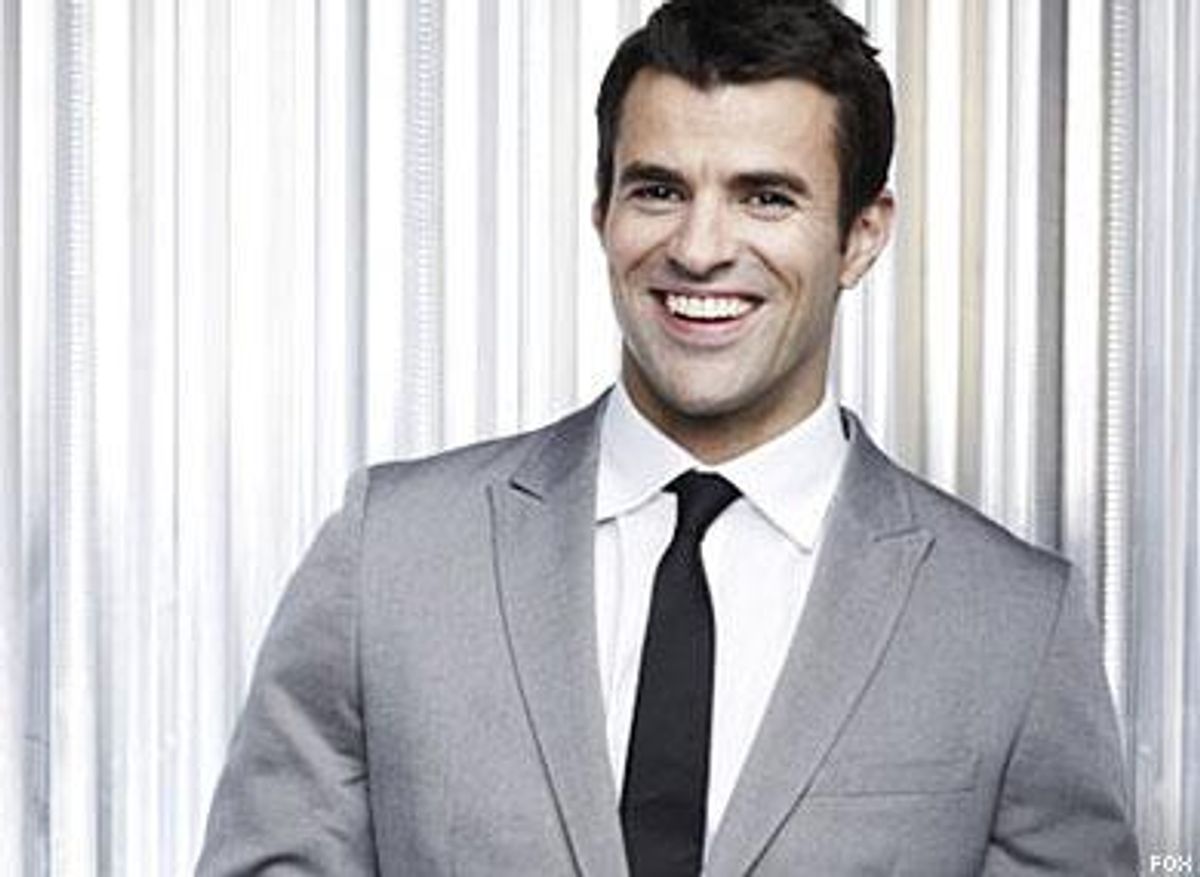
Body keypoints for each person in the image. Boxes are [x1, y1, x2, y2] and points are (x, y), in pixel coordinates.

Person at [197, 0, 1138, 873]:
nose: (698, 248)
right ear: (601, 211)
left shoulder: (1014, 623)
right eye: (657, 190)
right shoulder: (390, 556)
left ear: (861, 235)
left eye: (766, 197)